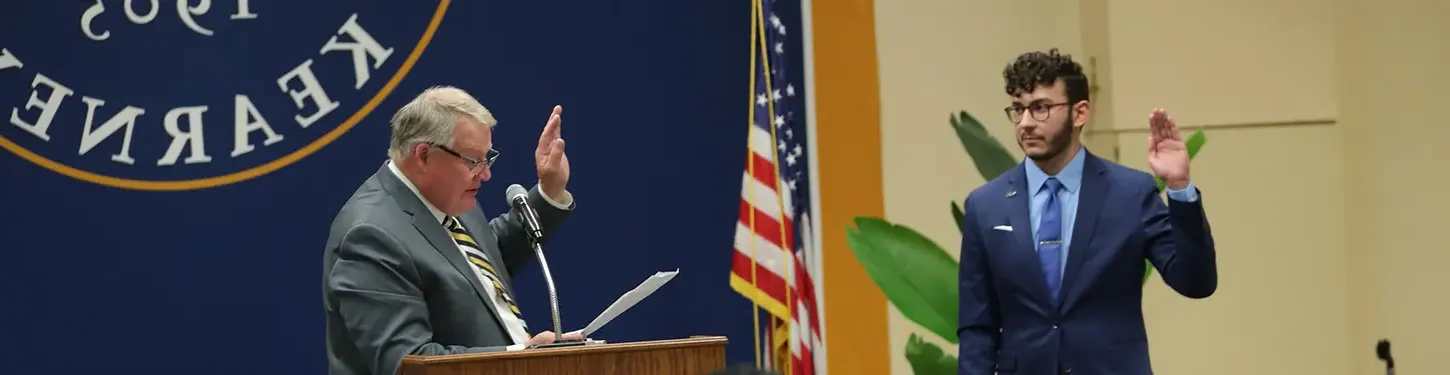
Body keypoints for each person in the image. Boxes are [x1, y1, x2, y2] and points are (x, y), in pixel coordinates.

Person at [956, 49, 1218, 375]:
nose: (1025, 123)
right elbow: (976, 327)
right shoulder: (986, 205)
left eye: (1040, 108)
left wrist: (1179, 187)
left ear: (1079, 113)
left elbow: (1196, 282)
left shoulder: (1130, 194)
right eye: (1018, 109)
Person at [322, 86, 584, 375]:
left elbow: (477, 264)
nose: (486, 174)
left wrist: (550, 191)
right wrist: (523, 357)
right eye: (474, 160)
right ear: (424, 155)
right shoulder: (370, 236)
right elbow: (408, 363)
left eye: (488, 157)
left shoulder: (450, 196)